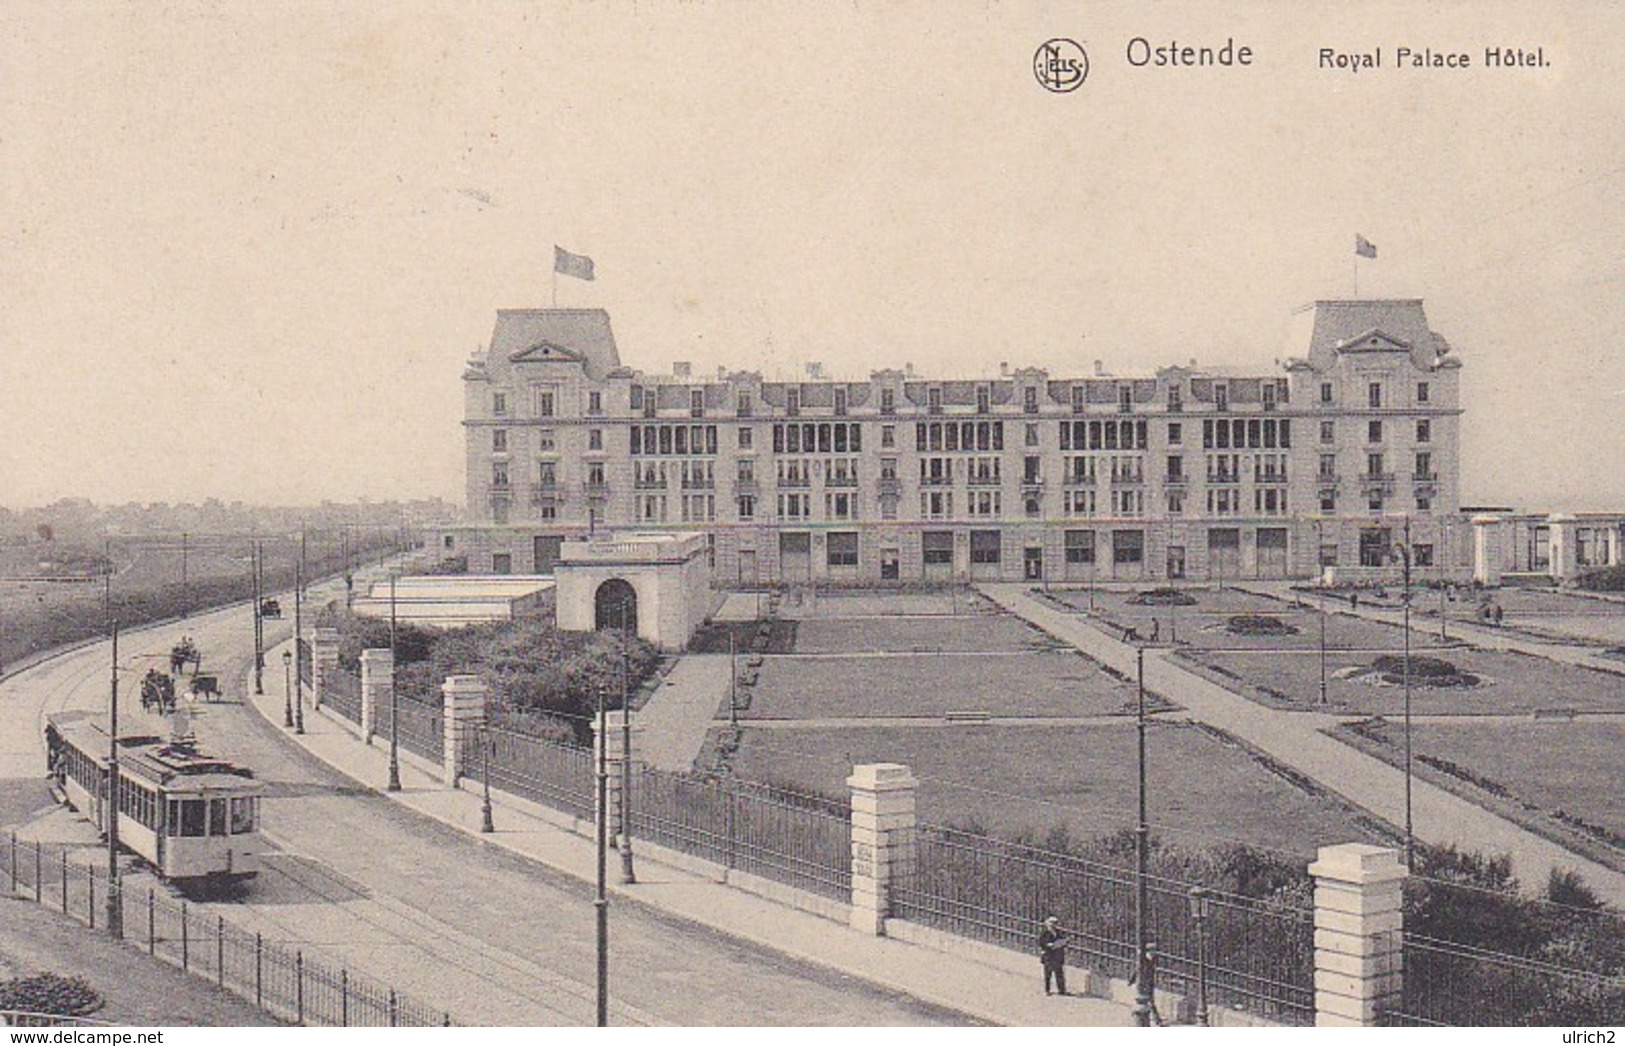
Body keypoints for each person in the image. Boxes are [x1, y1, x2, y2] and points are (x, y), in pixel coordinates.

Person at [1038, 915, 1068, 995]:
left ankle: (1061, 990)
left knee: (1059, 973)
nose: (1053, 925)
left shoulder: (1059, 932)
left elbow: (1063, 941)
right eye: (1051, 923)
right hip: (1049, 956)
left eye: (1055, 923)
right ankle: (1047, 990)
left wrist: (1062, 943)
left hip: (1057, 956)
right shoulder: (1045, 933)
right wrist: (1048, 945)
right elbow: (1041, 942)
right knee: (1048, 974)